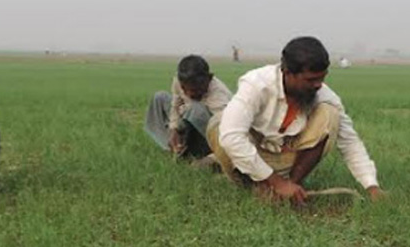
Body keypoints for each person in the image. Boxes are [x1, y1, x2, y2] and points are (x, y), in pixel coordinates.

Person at [209, 36, 385, 204]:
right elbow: (231, 137)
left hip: (288, 160)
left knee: (330, 114)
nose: (318, 85)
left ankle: (292, 187)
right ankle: (257, 186)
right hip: (250, 158)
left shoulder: (325, 96)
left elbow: (349, 142)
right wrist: (276, 182)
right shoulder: (257, 84)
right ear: (287, 72)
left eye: (322, 78)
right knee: (221, 124)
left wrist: (372, 187)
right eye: (311, 79)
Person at [144, 55, 232, 159]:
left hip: (209, 133)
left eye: (198, 90)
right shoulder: (179, 80)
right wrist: (173, 129)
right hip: (186, 117)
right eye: (185, 89)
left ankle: (197, 153)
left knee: (195, 108)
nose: (190, 94)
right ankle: (174, 146)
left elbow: (227, 130)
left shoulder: (219, 95)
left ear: (209, 79)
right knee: (159, 98)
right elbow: (175, 105)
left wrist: (214, 157)